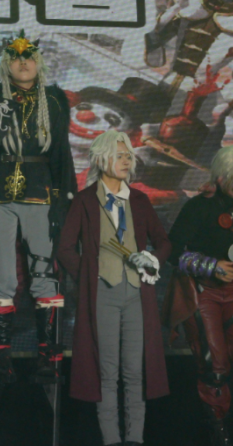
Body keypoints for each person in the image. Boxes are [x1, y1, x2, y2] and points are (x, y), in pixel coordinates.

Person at [0, 31, 77, 383]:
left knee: (44, 275)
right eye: (15, 57)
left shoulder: (54, 99)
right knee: (2, 276)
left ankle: (49, 358)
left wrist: (63, 200)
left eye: (29, 57)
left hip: (41, 192)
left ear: (38, 62)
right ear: (5, 63)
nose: (23, 62)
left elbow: (61, 152)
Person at [56, 130, 171, 446]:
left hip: (136, 295)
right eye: (120, 155)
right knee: (107, 373)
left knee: (134, 372)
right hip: (102, 296)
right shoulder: (84, 200)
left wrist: (152, 259)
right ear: (102, 159)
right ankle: (111, 440)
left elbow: (164, 242)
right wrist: (88, 275)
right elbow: (65, 248)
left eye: (128, 155)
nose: (126, 161)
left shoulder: (140, 200)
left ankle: (134, 439)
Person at [163, 144, 233, 446]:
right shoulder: (199, 206)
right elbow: (171, 251)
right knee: (214, 365)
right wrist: (211, 266)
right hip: (204, 291)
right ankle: (219, 436)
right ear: (222, 178)